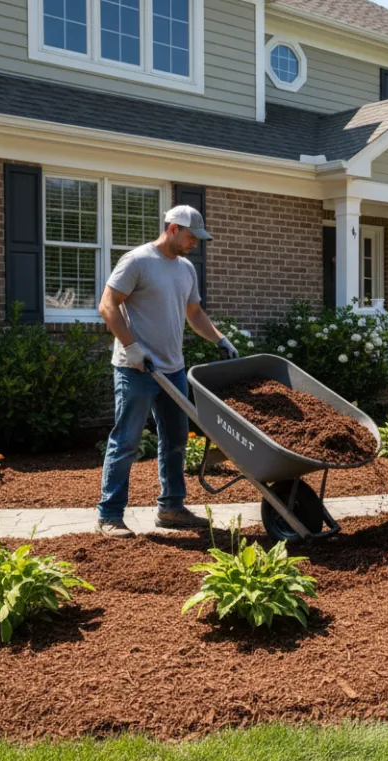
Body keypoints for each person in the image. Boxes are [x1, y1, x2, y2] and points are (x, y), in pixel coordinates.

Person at [95, 205, 240, 538]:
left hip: (173, 369)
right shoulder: (137, 261)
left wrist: (220, 339)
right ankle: (110, 515)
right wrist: (131, 347)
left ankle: (171, 508)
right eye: (192, 236)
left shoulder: (186, 269)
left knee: (175, 441)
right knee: (126, 441)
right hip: (135, 369)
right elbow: (107, 304)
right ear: (173, 228)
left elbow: (194, 312)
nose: (195, 244)